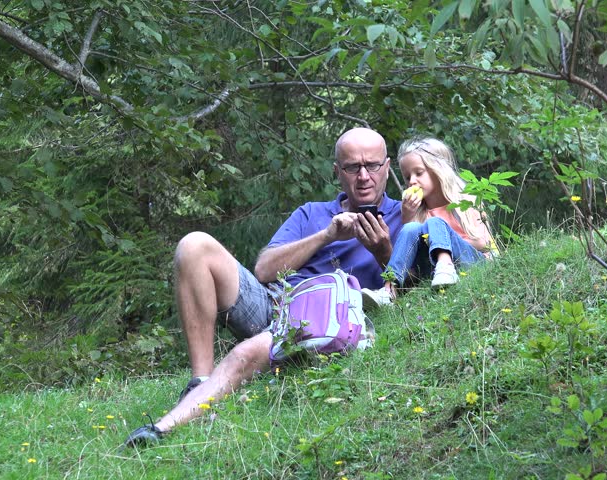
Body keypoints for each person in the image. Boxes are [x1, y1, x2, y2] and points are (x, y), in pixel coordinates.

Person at [124, 127, 403, 447]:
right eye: (353, 167)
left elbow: (412, 291)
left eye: (373, 165)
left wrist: (384, 253)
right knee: (194, 245)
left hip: (329, 319)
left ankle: (168, 426)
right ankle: (199, 381)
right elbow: (265, 270)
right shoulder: (312, 213)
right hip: (275, 302)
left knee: (248, 353)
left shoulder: (402, 216)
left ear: (387, 166)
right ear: (337, 172)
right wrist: (326, 235)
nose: (364, 176)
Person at [360, 137, 498, 310]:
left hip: (474, 262)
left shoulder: (466, 200)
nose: (412, 181)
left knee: (435, 223)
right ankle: (389, 291)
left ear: (438, 169)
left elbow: (484, 243)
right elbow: (415, 257)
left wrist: (444, 238)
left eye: (419, 173)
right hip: (433, 272)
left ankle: (445, 266)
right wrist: (408, 217)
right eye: (407, 176)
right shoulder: (419, 212)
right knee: (411, 228)